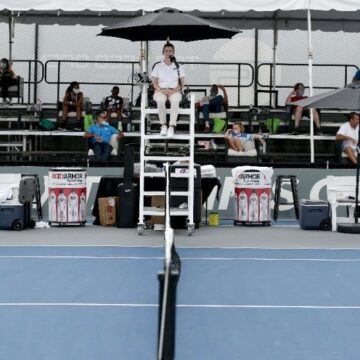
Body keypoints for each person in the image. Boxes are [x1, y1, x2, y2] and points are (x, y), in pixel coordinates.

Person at [151, 42, 186, 137]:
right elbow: (154, 81)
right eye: (166, 51)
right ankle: (163, 125)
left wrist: (174, 90)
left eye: (170, 51)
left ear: (174, 52)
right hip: (160, 90)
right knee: (160, 100)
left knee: (175, 100)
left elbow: (182, 82)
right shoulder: (158, 66)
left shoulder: (179, 66)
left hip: (174, 90)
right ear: (163, 52)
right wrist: (160, 90)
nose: (168, 52)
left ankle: (171, 126)